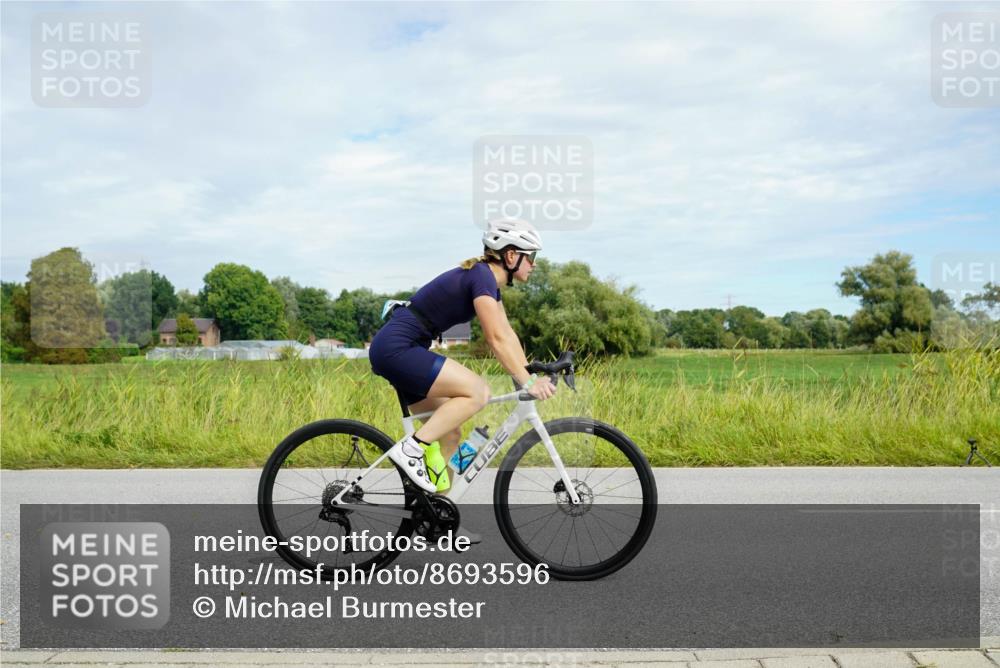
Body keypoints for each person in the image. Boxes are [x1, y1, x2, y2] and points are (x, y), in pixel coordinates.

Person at [369, 219, 557, 496]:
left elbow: (507, 334)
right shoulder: (481, 276)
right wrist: (528, 382)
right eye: (532, 257)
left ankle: (436, 517)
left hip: (404, 349)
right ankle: (411, 450)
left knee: (452, 435)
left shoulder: (488, 283)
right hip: (397, 349)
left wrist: (529, 373)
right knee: (478, 391)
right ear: (511, 255)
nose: (534, 264)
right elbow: (494, 338)